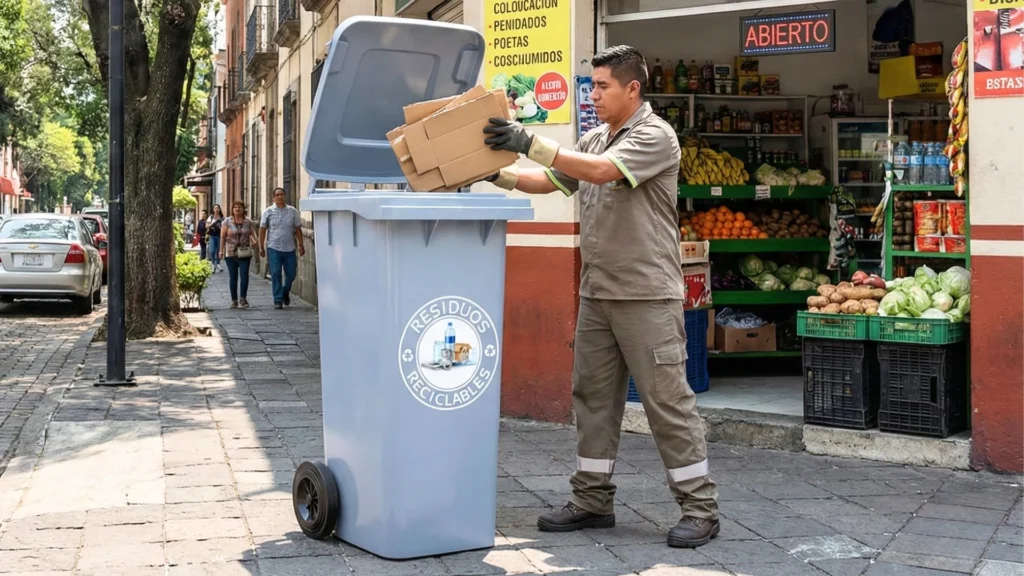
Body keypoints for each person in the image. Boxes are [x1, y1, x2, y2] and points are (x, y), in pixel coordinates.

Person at [481, 45, 719, 548]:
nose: (593, 94)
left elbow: (601, 172)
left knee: (667, 402)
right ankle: (591, 500)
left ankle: (700, 507)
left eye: (602, 86)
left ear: (633, 88)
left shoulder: (656, 136)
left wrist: (527, 139)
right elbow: (548, 180)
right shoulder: (592, 138)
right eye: (591, 85)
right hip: (597, 293)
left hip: (646, 296)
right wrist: (490, 172)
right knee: (592, 399)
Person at [259, 187, 304, 309]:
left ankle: (285, 291)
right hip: (273, 247)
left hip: (289, 247)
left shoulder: (292, 211)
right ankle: (278, 299)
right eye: (277, 195)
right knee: (276, 273)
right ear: (273, 197)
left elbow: (298, 228)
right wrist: (261, 246)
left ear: (285, 196)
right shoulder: (268, 212)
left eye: (282, 194)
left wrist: (301, 244)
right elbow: (262, 230)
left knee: (291, 273)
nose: (280, 197)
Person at [220, 201, 258, 309]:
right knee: (233, 277)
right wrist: (220, 251)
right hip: (230, 252)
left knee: (244, 276)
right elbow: (222, 237)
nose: (237, 209)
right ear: (232, 209)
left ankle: (243, 298)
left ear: (243, 209)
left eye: (239, 207)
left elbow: (252, 233)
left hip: (244, 252)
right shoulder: (227, 222)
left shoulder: (248, 222)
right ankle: (234, 300)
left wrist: (255, 240)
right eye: (235, 207)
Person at [207, 204, 224, 273]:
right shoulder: (211, 217)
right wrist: (214, 223)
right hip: (212, 236)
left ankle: (218, 264)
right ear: (213, 209)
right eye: (215, 208)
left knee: (219, 251)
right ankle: (213, 264)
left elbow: (224, 227)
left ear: (219, 209)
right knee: (212, 251)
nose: (216, 209)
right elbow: (207, 226)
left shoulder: (222, 217)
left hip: (220, 236)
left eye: (218, 208)